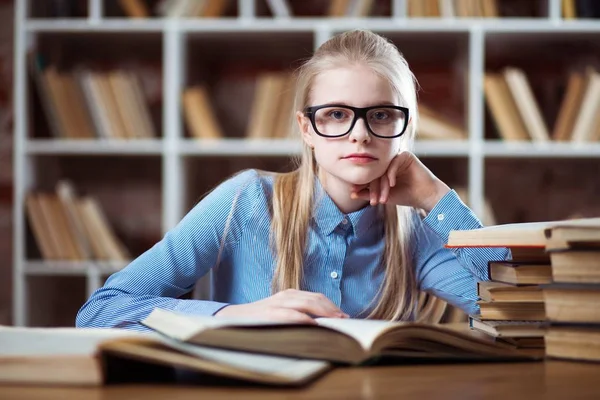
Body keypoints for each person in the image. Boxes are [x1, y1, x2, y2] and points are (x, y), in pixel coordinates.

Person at [76, 29, 507, 331]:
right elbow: (102, 310)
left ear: (405, 129)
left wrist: (436, 196)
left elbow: (525, 310)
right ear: (307, 128)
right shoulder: (246, 202)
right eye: (336, 114)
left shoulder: (414, 229)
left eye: (381, 115)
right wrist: (233, 316)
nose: (360, 133)